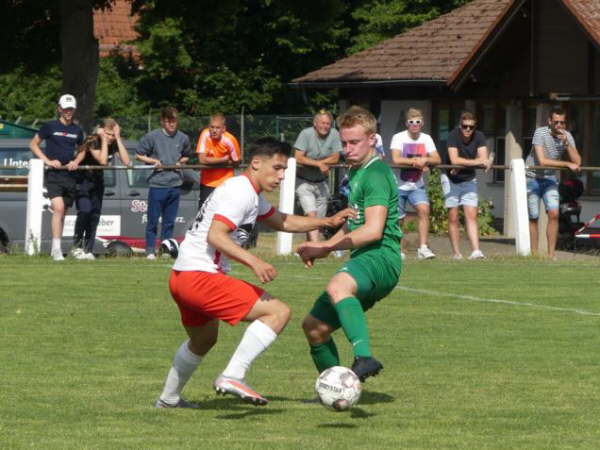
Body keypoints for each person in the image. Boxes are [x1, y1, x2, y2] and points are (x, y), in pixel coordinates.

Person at [154, 137, 354, 408]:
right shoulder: (240, 192)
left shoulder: (248, 192)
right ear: (256, 163)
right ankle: (232, 375)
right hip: (201, 276)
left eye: (284, 170)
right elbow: (216, 236)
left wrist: (326, 221)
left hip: (181, 278)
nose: (282, 176)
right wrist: (255, 262)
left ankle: (168, 399)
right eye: (278, 168)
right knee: (278, 312)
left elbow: (282, 220)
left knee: (203, 339)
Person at [298, 106, 402, 383]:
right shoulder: (357, 173)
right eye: (344, 143)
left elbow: (372, 230)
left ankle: (364, 357)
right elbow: (353, 223)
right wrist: (323, 247)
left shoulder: (376, 173)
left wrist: (328, 248)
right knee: (314, 328)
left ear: (372, 139)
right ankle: (337, 390)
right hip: (365, 258)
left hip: (381, 257)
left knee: (338, 286)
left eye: (354, 142)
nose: (348, 149)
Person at [29, 94, 84, 261]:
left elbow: (82, 150)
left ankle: (56, 247)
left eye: (71, 109)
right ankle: (56, 249)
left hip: (70, 175)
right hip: (53, 174)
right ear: (59, 109)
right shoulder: (49, 126)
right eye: (65, 108)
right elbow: (33, 144)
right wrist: (47, 161)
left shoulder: (77, 130)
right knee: (58, 208)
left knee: (63, 212)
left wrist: (76, 161)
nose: (68, 112)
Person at [136, 107, 192, 259]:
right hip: (157, 184)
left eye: (174, 121)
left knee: (169, 221)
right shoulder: (152, 136)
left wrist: (180, 162)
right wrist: (153, 161)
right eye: (168, 121)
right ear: (162, 121)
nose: (171, 124)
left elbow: (187, 156)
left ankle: (166, 249)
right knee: (153, 220)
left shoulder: (183, 138)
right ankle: (150, 250)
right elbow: (139, 155)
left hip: (175, 184)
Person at [70, 118, 130, 260]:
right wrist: (103, 139)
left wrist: (118, 139)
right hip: (83, 180)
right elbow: (103, 161)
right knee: (85, 211)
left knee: (94, 216)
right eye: (108, 134)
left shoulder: (114, 142)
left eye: (112, 135)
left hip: (97, 182)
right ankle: (77, 247)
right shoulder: (92, 141)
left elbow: (127, 162)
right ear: (102, 130)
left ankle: (88, 250)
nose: (110, 138)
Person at [526, 107, 581, 259]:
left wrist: (567, 145)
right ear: (549, 121)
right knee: (534, 216)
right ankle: (534, 255)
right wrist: (566, 164)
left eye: (562, 123)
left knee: (554, 214)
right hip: (532, 177)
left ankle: (551, 255)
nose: (559, 126)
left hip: (550, 179)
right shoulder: (540, 133)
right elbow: (542, 161)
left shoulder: (567, 136)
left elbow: (577, 161)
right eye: (556, 122)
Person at [390, 108, 441, 260]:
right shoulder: (398, 137)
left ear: (422, 123)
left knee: (424, 210)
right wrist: (415, 162)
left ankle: (423, 248)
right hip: (399, 185)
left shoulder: (426, 138)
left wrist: (426, 160)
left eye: (418, 122)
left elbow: (437, 159)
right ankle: (398, 250)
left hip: (417, 185)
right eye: (411, 122)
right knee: (399, 219)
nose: (415, 125)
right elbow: (396, 159)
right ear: (407, 123)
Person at [441, 112, 491, 260]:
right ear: (460, 125)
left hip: (469, 178)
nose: (468, 129)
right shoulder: (453, 135)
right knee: (453, 216)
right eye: (465, 126)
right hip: (450, 178)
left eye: (471, 127)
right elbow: (455, 159)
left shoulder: (480, 136)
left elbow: (484, 158)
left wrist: (462, 165)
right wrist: (477, 162)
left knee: (471, 215)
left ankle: (476, 251)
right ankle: (457, 253)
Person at [294, 109, 343, 242]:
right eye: (322, 123)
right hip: (303, 182)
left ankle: (307, 247)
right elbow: (298, 157)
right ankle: (317, 246)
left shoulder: (334, 134)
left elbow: (336, 157)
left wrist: (319, 163)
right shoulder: (305, 134)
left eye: (328, 123)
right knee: (311, 215)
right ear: (315, 123)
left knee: (318, 221)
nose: (325, 126)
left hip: (322, 182)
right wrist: (319, 165)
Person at [196, 113, 241, 210]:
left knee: (224, 213)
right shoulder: (205, 134)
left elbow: (236, 161)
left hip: (226, 183)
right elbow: (202, 159)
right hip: (207, 183)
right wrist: (223, 160)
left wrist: (211, 161)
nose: (214, 131)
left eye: (217, 128)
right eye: (212, 127)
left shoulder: (230, 140)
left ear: (223, 129)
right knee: (203, 215)